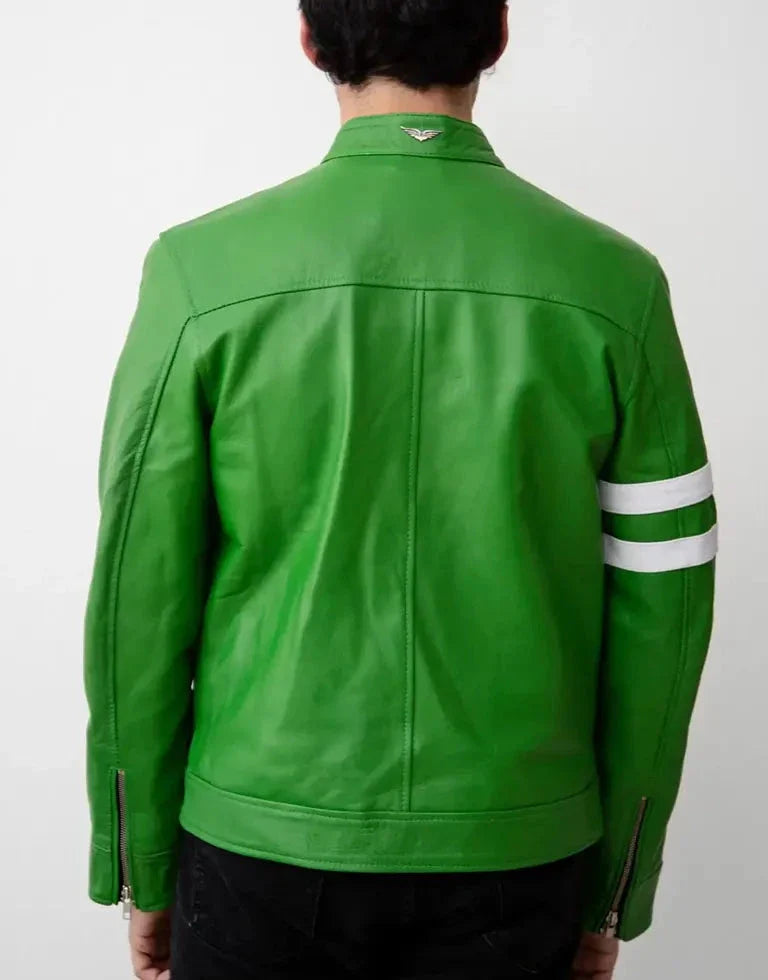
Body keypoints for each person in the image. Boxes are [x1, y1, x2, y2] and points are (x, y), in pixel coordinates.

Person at [83, 2, 718, 978]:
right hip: (520, 844)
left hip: (259, 844)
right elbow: (666, 608)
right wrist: (615, 882)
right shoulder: (617, 286)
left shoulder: (198, 274)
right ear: (497, 37)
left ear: (310, 41)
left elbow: (139, 594)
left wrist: (144, 862)